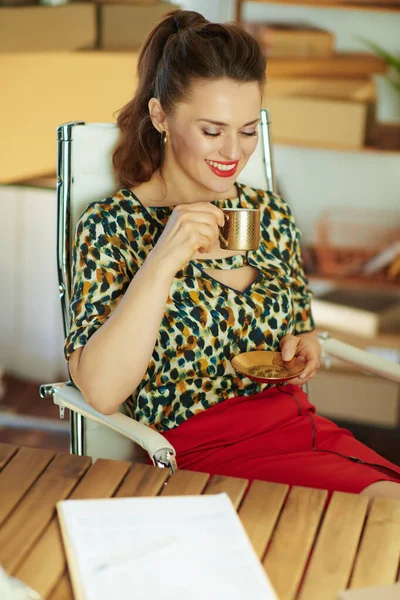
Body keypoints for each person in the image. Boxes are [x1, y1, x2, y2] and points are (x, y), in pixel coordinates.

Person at [65, 9, 400, 500]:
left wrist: (305, 346)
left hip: (299, 429)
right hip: (205, 457)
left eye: (247, 130)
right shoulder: (111, 226)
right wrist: (161, 262)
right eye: (211, 130)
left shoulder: (269, 212)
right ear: (160, 116)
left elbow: (299, 331)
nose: (233, 151)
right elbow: (101, 392)